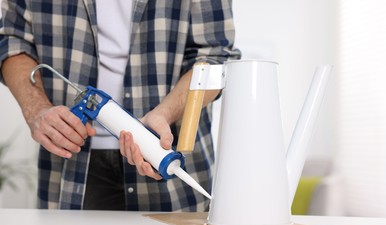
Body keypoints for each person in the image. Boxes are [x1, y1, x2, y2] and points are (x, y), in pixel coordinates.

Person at [0, 1, 240, 211]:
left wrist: (166, 113)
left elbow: (215, 58)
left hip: (170, 166)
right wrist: (35, 109)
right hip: (70, 165)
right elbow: (11, 39)